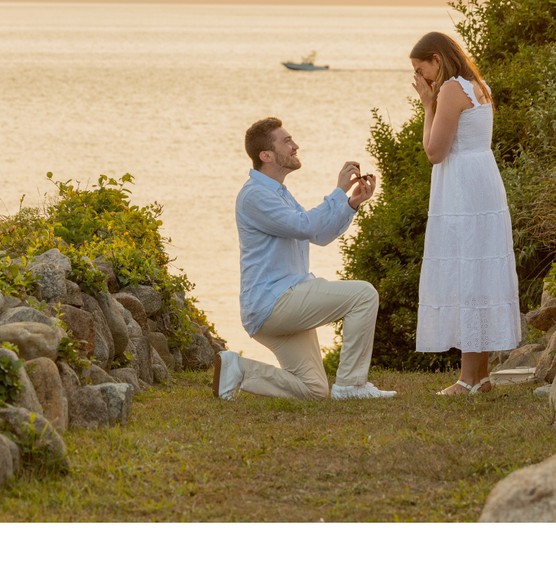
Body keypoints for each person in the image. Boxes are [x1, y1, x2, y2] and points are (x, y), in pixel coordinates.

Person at [212, 116, 397, 401]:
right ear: (266, 155)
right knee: (363, 295)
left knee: (314, 391)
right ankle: (351, 384)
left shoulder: (278, 193)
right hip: (275, 303)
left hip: (282, 304)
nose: (295, 146)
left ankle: (237, 369)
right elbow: (305, 226)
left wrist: (350, 204)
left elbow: (318, 235)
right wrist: (338, 191)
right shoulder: (255, 196)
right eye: (287, 141)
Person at [410, 32, 521, 396]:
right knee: (480, 273)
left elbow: (435, 151)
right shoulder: (479, 86)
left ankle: (467, 380)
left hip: (462, 188)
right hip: (482, 181)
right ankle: (481, 376)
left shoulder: (450, 90)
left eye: (421, 69)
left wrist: (427, 105)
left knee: (468, 274)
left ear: (437, 60)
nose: (420, 77)